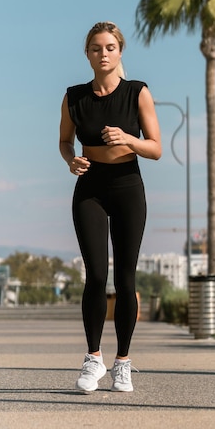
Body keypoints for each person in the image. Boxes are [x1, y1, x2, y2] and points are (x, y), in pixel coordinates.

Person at [59, 21, 161, 393]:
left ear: (120, 52)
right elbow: (64, 141)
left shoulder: (137, 92)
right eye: (96, 48)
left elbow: (156, 148)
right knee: (97, 276)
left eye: (109, 48)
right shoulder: (74, 97)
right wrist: (71, 161)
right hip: (90, 187)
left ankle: (123, 363)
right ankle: (93, 359)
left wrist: (129, 140)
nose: (103, 54)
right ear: (87, 54)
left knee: (126, 278)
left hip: (127, 186)